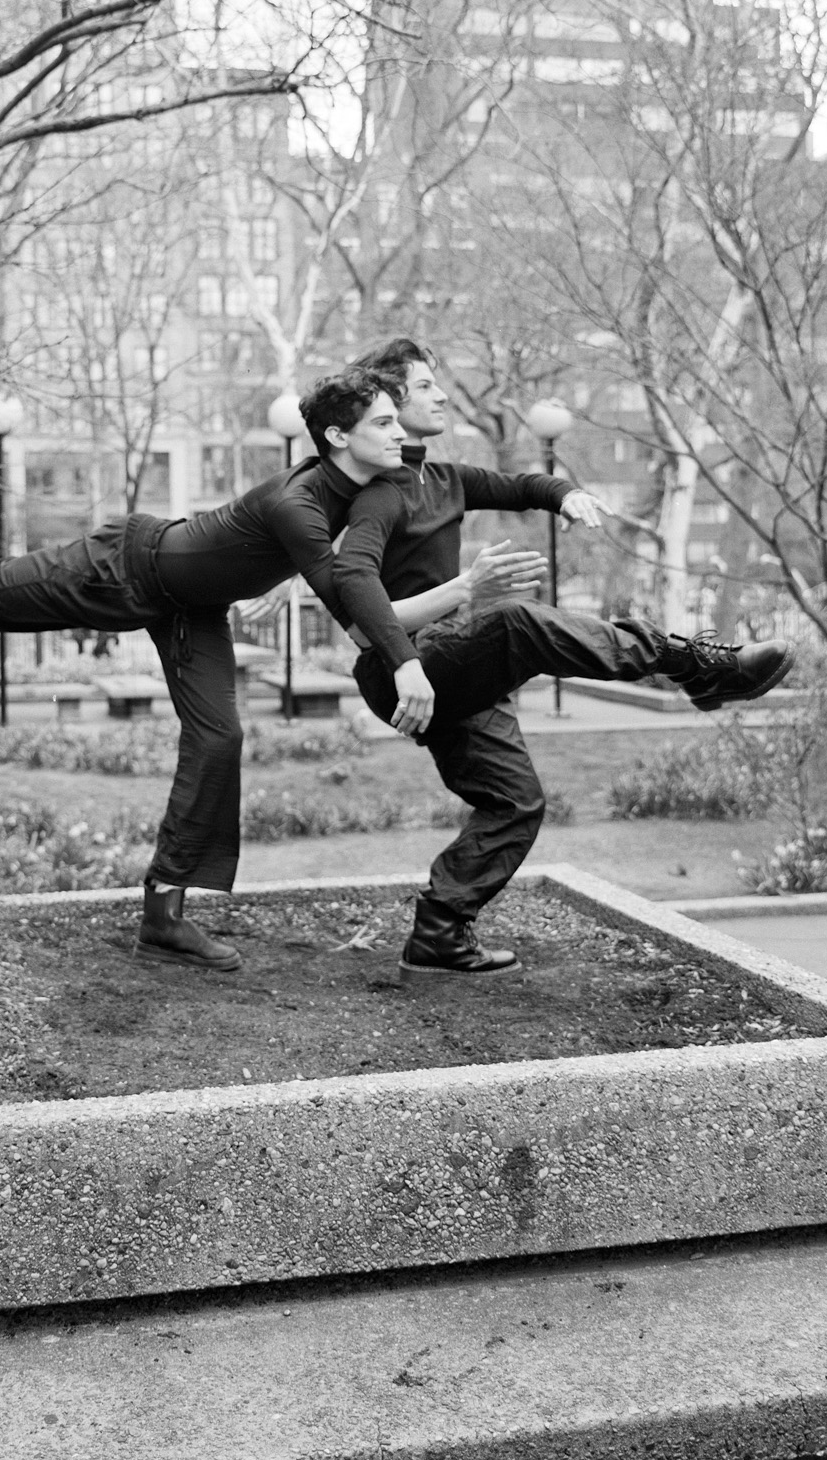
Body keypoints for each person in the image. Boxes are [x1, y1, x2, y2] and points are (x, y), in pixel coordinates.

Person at [0, 373, 431, 973]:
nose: (398, 432)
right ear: (336, 436)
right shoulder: (297, 506)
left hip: (190, 608)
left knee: (220, 739)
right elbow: (347, 595)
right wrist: (404, 662)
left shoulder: (357, 476)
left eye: (397, 421)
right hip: (124, 567)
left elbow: (444, 474)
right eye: (384, 423)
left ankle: (163, 918)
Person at [332, 338, 795, 981]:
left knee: (514, 802)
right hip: (405, 668)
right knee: (520, 623)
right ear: (390, 402)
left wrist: (563, 496)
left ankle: (439, 931)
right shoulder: (378, 495)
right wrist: (465, 588)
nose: (441, 395)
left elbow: (522, 484)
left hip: (455, 663)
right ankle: (695, 665)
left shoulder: (443, 478)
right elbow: (357, 605)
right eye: (426, 387)